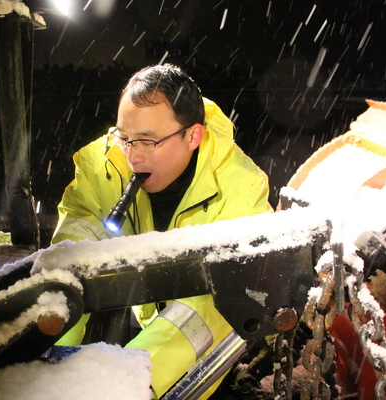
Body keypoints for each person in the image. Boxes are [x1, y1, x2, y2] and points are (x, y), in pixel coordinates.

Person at [51, 64, 273, 399]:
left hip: (202, 357)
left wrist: (133, 382)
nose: (132, 155)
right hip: (144, 320)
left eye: (148, 141)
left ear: (193, 135)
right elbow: (69, 264)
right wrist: (50, 364)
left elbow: (215, 304)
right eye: (125, 138)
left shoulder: (241, 187)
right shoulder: (103, 166)